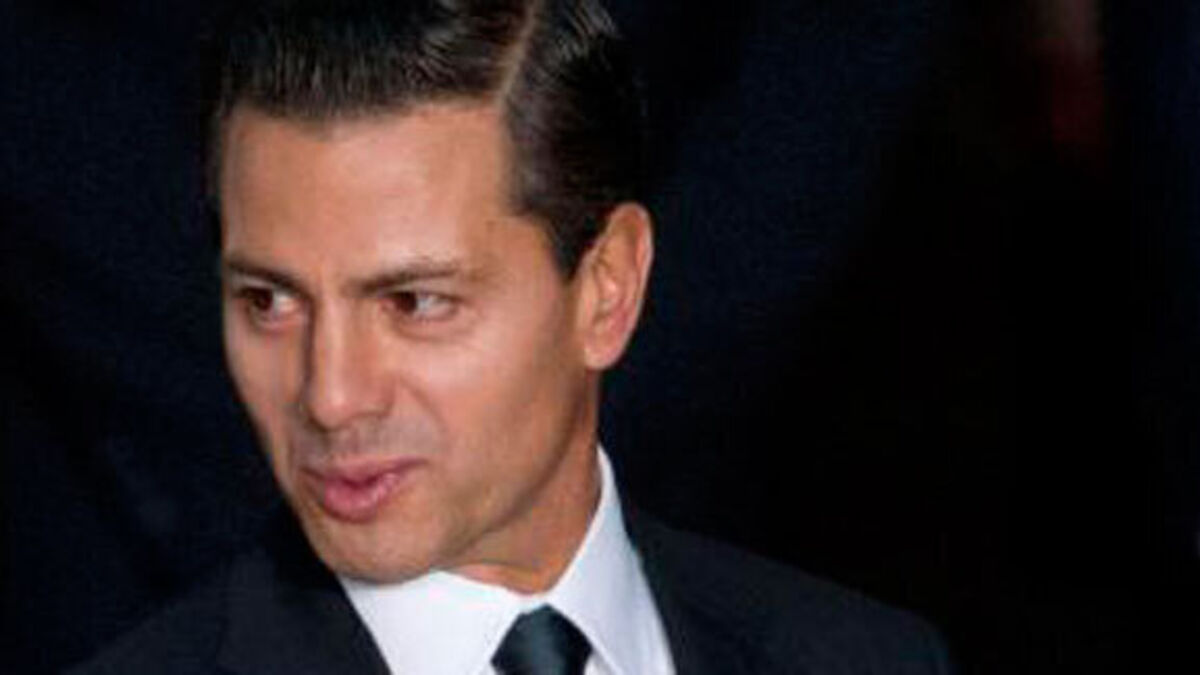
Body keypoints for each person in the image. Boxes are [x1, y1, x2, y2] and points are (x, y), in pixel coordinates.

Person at [74, 0, 953, 672]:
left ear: (608, 290)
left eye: (416, 303)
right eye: (270, 301)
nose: (331, 395)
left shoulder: (869, 658)